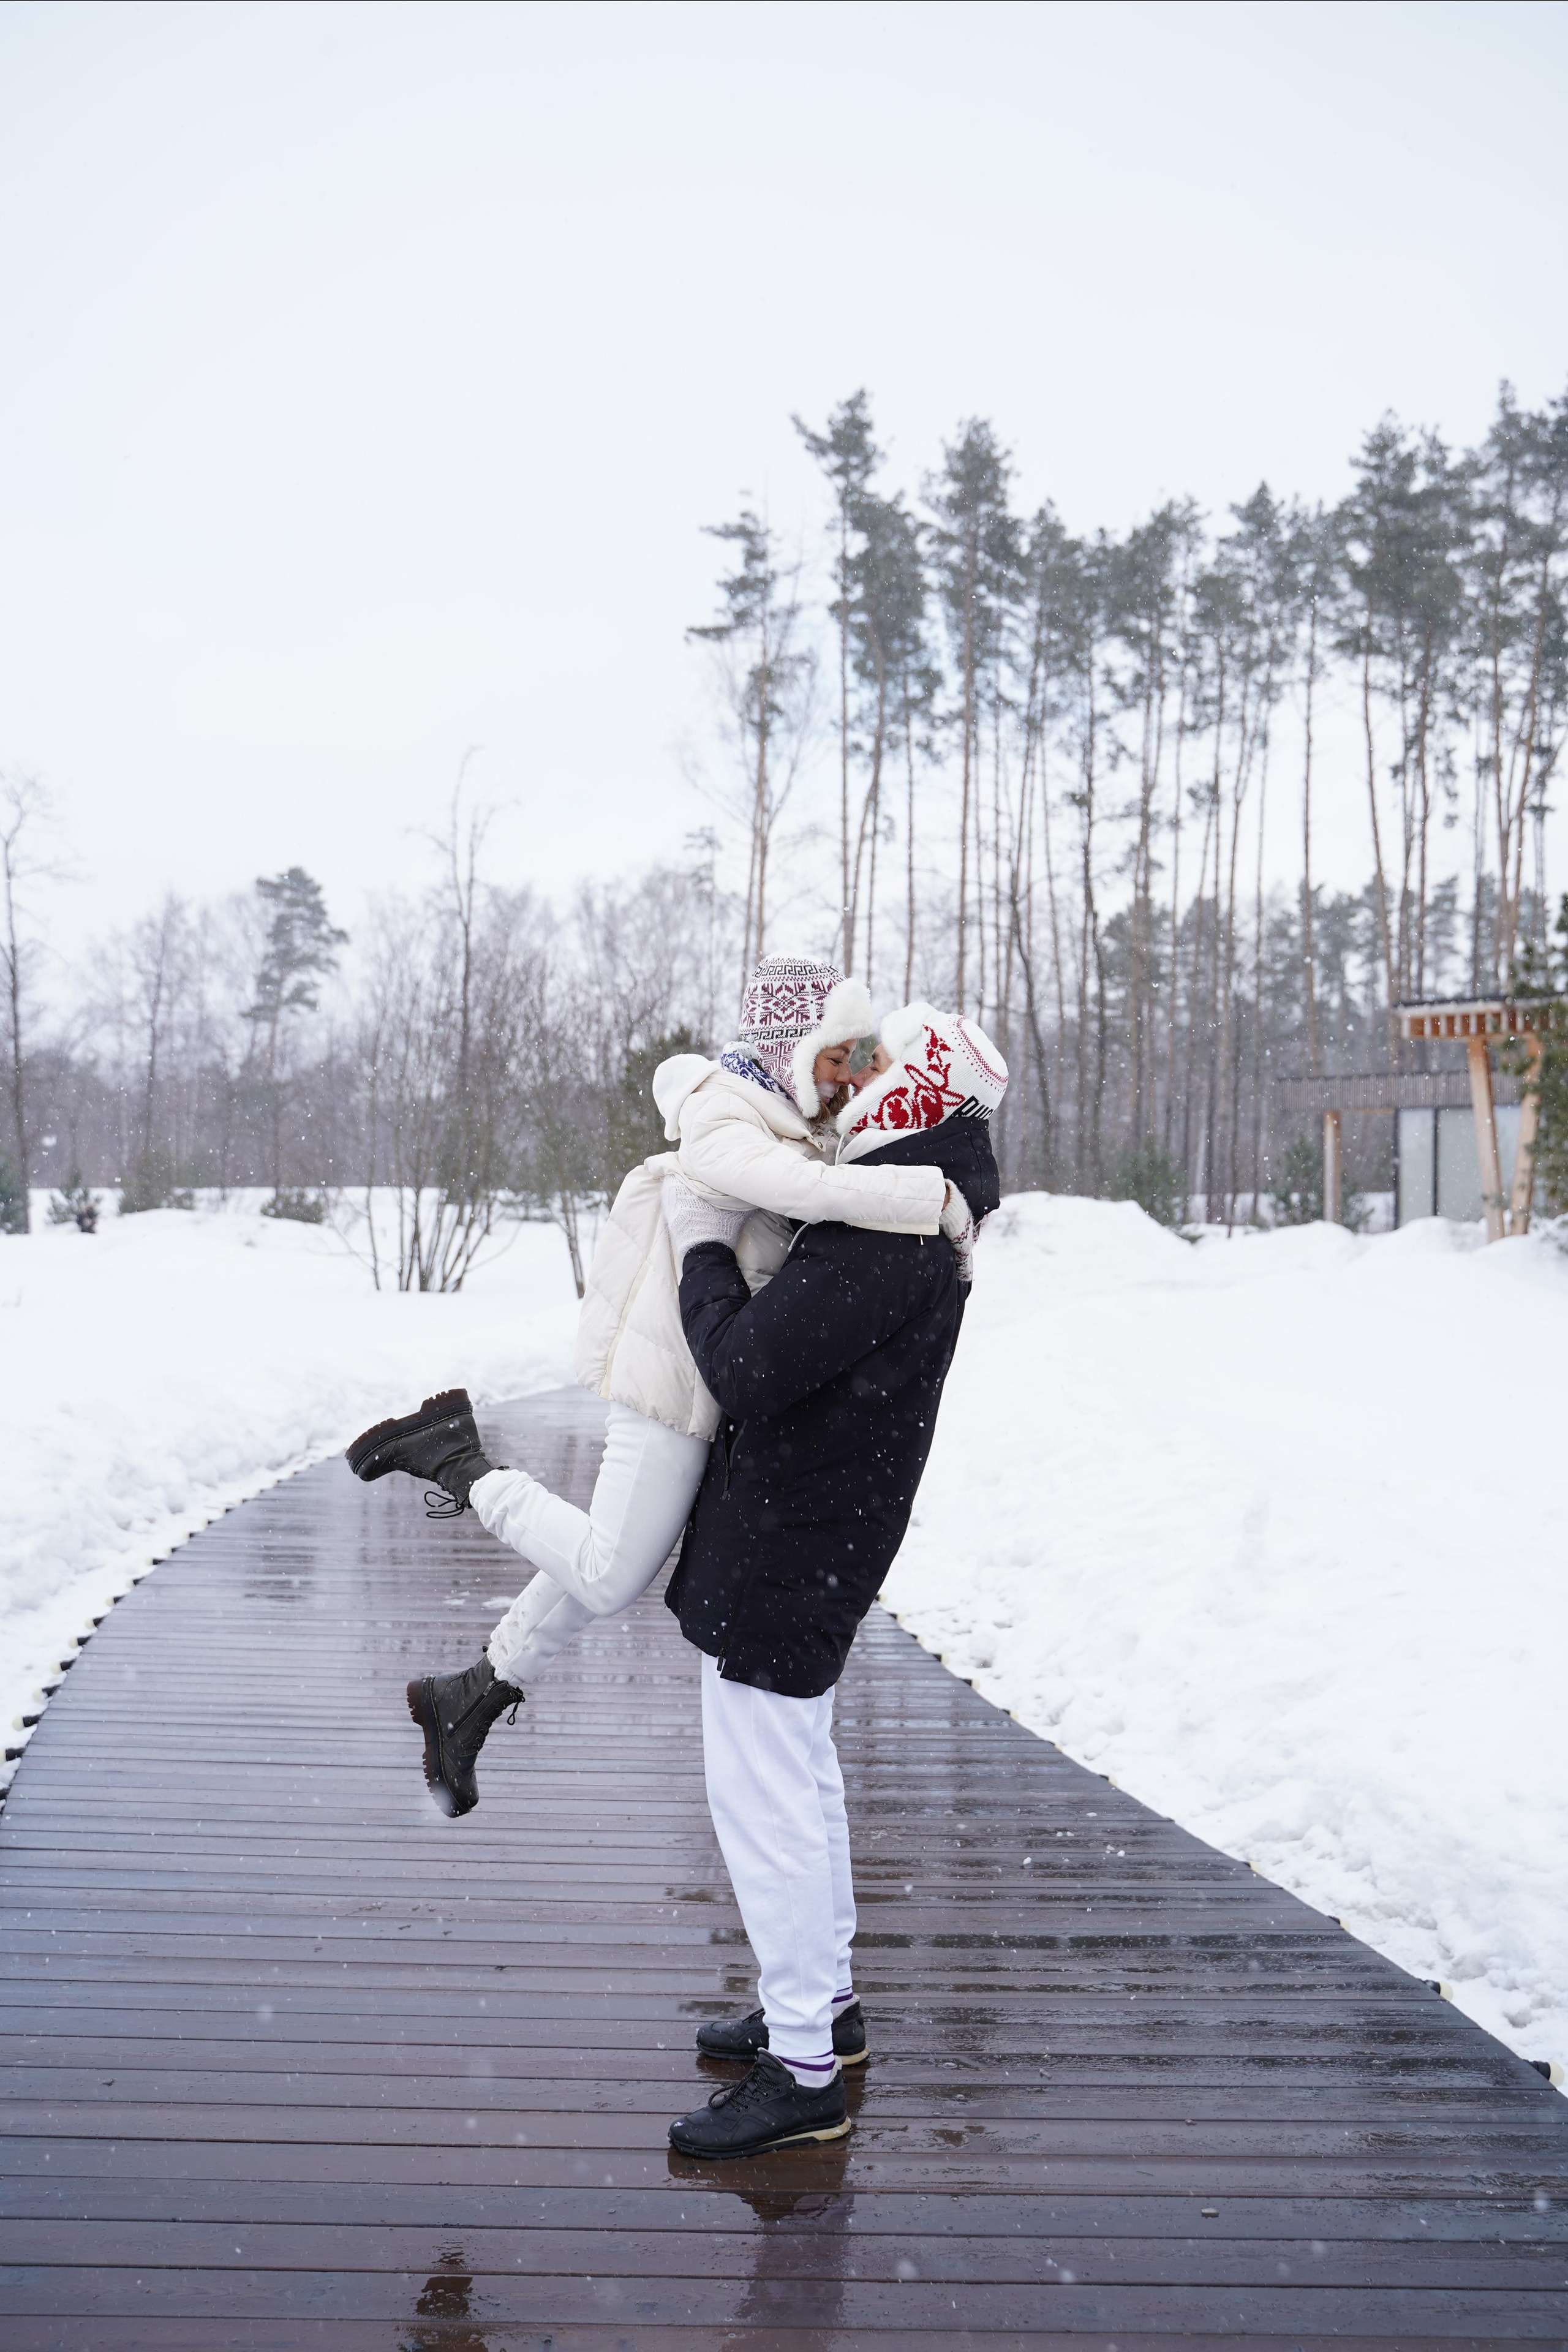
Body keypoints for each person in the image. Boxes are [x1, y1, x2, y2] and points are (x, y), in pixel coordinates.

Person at [345, 954, 976, 1815]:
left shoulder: (790, 1120)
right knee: (610, 1573)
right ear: (793, 1048)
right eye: (837, 1058)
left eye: (856, 1058)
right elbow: (805, 1192)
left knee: (613, 1551)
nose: (846, 1078)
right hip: (673, 1381)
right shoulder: (725, 1113)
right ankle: (456, 1461)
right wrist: (932, 1201)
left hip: (711, 1382)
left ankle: (473, 1695)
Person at [660, 1001, 1007, 2159]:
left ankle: (805, 2070)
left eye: (882, 1067)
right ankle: (824, 2011)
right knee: (798, 1783)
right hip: (816, 1528)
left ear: (916, 1091)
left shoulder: (889, 1230)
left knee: (765, 1807)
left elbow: (747, 1369)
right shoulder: (911, 1204)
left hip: (793, 1539)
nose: (858, 1083)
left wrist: (702, 1248)